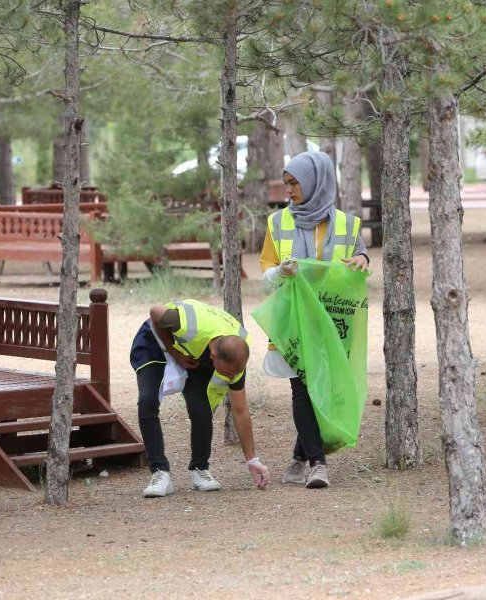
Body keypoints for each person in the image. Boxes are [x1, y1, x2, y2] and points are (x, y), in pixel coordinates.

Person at [259, 150, 369, 489]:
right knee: (301, 390)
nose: (289, 191)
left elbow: (359, 256)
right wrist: (280, 271)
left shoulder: (348, 224)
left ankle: (297, 458)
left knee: (318, 388)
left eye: (294, 184)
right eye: (287, 183)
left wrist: (363, 259)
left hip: (330, 322)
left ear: (316, 183)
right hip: (291, 321)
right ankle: (317, 464)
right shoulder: (277, 224)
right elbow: (265, 275)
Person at [130, 299, 270, 498]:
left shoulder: (236, 354)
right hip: (157, 340)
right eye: (227, 373)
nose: (230, 378)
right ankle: (160, 473)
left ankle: (200, 470)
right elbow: (155, 311)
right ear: (213, 356)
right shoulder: (187, 325)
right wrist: (173, 351)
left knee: (200, 408)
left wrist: (252, 460)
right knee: (148, 402)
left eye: (233, 374)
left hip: (192, 351)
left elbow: (240, 409)